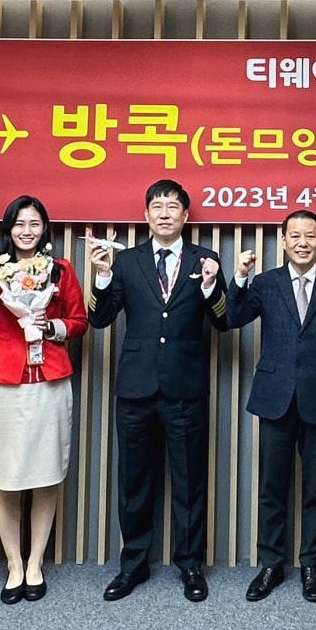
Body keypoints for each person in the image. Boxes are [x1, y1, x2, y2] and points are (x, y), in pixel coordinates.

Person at [87, 179, 228, 603]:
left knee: (189, 481)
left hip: (185, 387)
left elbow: (223, 320)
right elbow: (100, 319)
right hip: (136, 388)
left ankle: (191, 565)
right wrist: (101, 277)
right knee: (134, 480)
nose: (165, 213)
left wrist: (210, 287)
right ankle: (133, 564)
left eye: (172, 207)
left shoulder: (205, 259)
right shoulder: (126, 261)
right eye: (157, 207)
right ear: (146, 215)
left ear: (186, 215)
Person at [0, 196, 87, 604]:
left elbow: (79, 321)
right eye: (19, 224)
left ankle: (35, 562)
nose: (26, 231)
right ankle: (13, 564)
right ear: (8, 229)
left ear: (44, 228)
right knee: (7, 477)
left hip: (49, 380)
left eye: (34, 223)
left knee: (46, 475)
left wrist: (52, 328)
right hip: (4, 382)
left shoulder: (60, 269)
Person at [228, 209, 316, 603]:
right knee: (272, 487)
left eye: (310, 235)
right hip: (275, 397)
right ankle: (271, 563)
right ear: (283, 241)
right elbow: (233, 317)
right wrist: (240, 277)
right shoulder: (265, 283)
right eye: (295, 236)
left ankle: (310, 565)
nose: (303, 243)